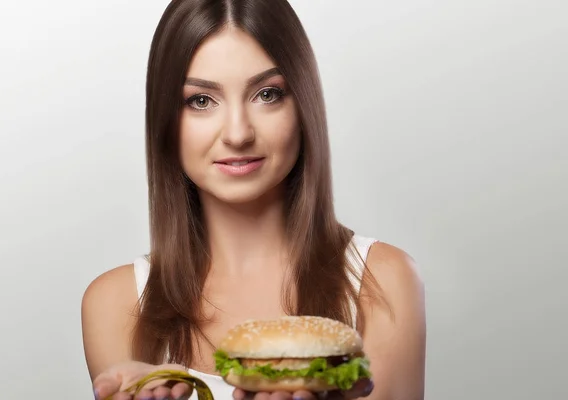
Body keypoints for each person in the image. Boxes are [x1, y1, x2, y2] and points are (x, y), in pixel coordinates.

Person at [81, 0, 427, 399]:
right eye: (200, 100)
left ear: (303, 104)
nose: (238, 133)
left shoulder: (382, 281)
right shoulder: (115, 304)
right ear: (165, 119)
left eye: (267, 94)